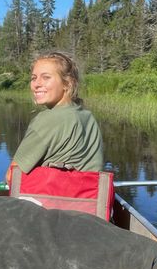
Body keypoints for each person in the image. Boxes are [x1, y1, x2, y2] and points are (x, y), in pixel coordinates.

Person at [6, 51, 103, 181]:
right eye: (34, 78)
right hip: (90, 197)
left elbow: (12, 176)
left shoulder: (47, 119)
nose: (36, 84)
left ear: (67, 83)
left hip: (54, 199)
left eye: (46, 77)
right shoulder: (87, 116)